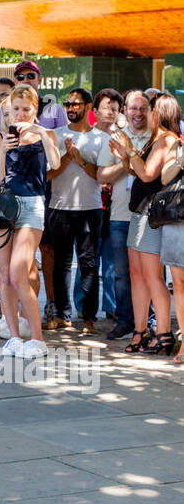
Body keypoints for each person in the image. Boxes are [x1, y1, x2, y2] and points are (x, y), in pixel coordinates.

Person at [0, 85, 62, 359]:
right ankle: (14, 336)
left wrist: (41, 132)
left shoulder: (46, 133)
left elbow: (55, 164)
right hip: (4, 207)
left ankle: (38, 339)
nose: (20, 114)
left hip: (32, 206)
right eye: (16, 109)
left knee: (20, 273)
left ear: (35, 109)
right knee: (5, 276)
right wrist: (3, 151)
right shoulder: (0, 137)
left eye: (26, 109)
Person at [109, 93, 181, 356]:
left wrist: (129, 148)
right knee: (136, 275)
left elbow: (149, 175)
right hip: (139, 213)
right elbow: (138, 173)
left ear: (158, 113)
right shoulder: (155, 139)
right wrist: (124, 157)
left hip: (152, 215)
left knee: (153, 277)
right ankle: (140, 330)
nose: (145, 114)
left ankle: (163, 333)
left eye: (150, 109)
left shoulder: (168, 140)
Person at [45, 89, 116, 334]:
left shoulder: (101, 138)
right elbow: (48, 174)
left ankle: (89, 318)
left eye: (76, 104)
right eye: (68, 104)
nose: (70, 108)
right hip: (59, 208)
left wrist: (80, 159)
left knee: (89, 264)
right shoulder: (55, 135)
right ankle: (62, 315)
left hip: (90, 209)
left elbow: (101, 176)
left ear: (87, 107)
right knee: (61, 264)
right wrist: (67, 157)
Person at [102, 90, 151, 341]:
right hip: (120, 214)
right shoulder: (115, 138)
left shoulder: (156, 137)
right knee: (123, 274)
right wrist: (125, 162)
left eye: (142, 108)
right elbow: (101, 175)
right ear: (125, 111)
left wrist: (130, 157)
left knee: (150, 273)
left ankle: (150, 321)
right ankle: (125, 321)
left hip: (150, 216)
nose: (137, 113)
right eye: (133, 108)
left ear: (150, 111)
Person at [73, 88, 122, 324]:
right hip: (88, 204)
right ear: (95, 110)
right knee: (87, 258)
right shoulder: (87, 137)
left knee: (111, 261)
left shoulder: (121, 138)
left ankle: (111, 306)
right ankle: (82, 305)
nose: (110, 112)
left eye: (115, 108)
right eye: (106, 107)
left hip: (114, 206)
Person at [159, 134, 184, 365]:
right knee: (178, 282)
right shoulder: (177, 146)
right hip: (177, 219)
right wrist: (181, 159)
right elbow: (165, 178)